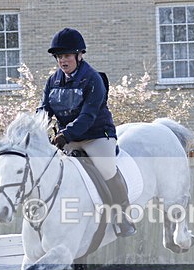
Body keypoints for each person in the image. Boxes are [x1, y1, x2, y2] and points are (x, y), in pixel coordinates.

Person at [38, 27, 135, 237]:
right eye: (59, 57)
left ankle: (121, 216)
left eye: (67, 56)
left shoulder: (93, 79)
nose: (63, 61)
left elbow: (88, 116)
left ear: (79, 55)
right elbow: (43, 109)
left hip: (97, 135)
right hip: (68, 138)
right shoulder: (52, 81)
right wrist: (38, 128)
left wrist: (65, 135)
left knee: (106, 168)